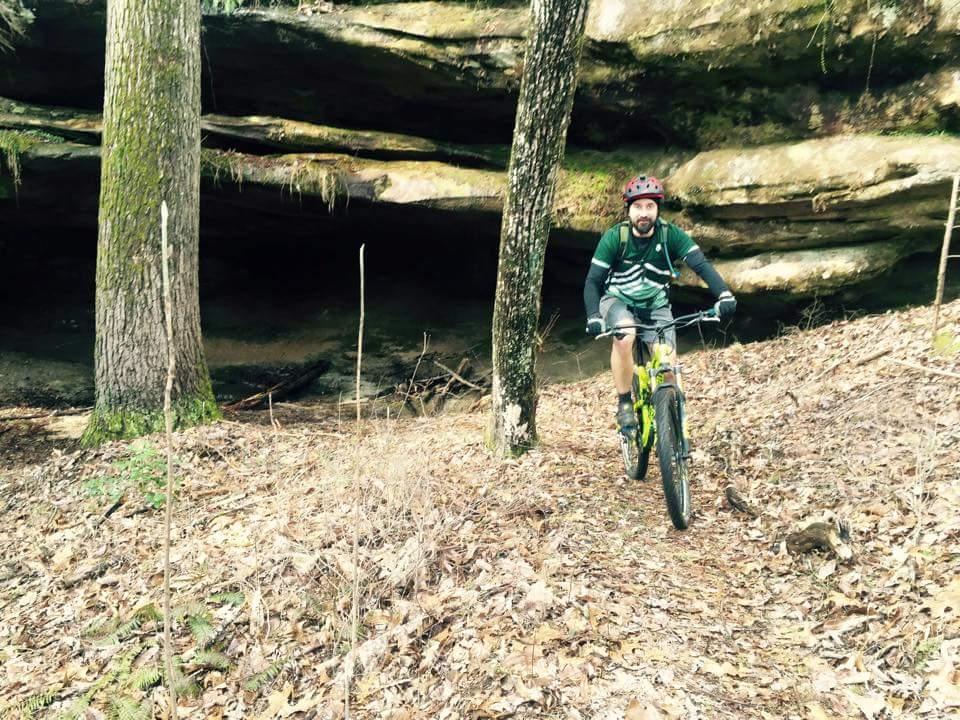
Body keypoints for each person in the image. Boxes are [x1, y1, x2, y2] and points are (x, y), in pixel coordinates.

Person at [583, 175, 737, 431]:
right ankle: (624, 403)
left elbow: (700, 265)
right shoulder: (615, 238)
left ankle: (671, 431)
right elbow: (593, 281)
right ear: (628, 209)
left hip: (656, 306)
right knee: (626, 334)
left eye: (650, 206)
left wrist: (724, 295)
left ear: (658, 208)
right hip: (617, 301)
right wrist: (593, 316)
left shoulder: (670, 235)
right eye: (638, 206)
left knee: (667, 367)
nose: (644, 213)